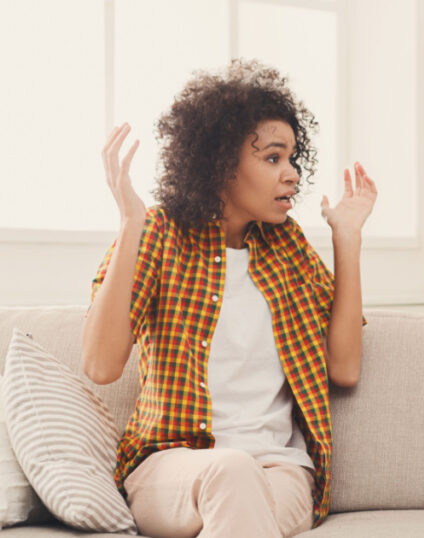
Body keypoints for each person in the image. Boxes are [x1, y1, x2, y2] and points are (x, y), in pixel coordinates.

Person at [81, 59, 376, 537]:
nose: (293, 175)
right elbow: (99, 365)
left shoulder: (289, 247)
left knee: (241, 489)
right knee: (231, 471)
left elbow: (343, 369)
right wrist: (130, 224)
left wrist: (347, 239)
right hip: (172, 468)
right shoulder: (158, 233)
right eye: (273, 158)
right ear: (220, 163)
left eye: (293, 159)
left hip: (281, 473)